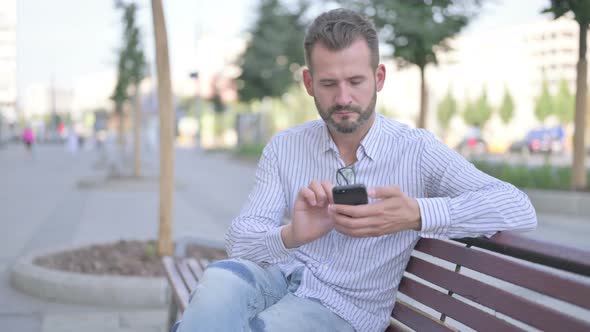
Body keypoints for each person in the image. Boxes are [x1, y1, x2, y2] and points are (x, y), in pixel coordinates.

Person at [174, 8, 537, 332]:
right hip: (278, 276)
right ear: (309, 83)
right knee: (219, 282)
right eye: (329, 84)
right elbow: (239, 241)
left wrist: (417, 214)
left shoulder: (417, 150)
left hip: (343, 309)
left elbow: (517, 207)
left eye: (356, 82)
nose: (344, 98)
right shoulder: (285, 147)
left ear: (378, 78)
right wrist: (291, 235)